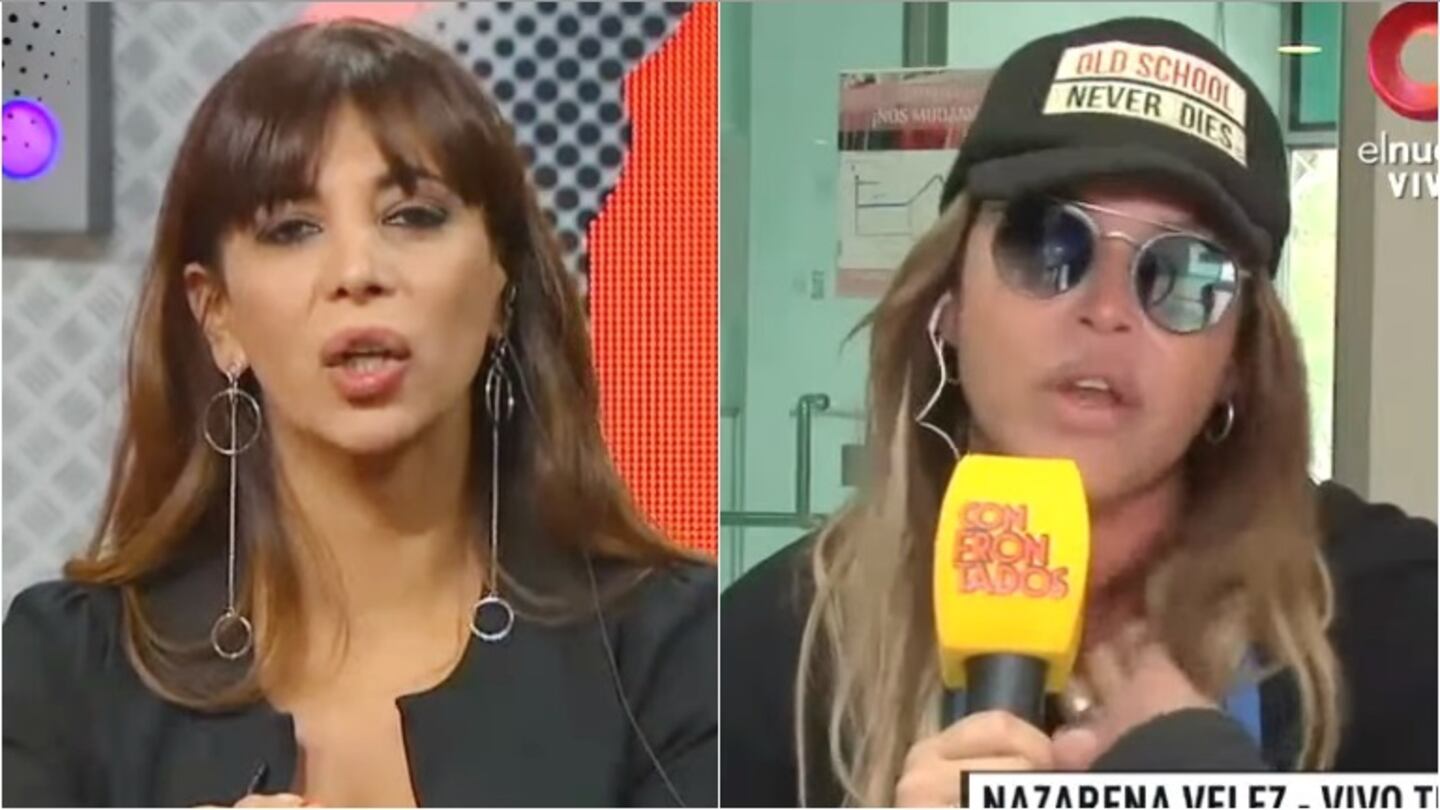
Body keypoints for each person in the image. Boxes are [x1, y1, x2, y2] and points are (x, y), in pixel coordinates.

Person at [721, 17, 1436, 807]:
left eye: (1185, 272)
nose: (1107, 310)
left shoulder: (1402, 617)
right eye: (1046, 243)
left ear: (1235, 363)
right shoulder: (765, 651)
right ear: (949, 303)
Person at [3, 19, 716, 808]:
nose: (357, 271)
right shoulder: (68, 668)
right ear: (217, 316)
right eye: (292, 229)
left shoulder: (675, 651)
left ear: (499, 286)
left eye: (413, 215)